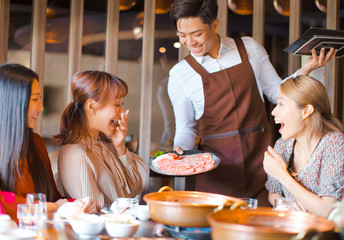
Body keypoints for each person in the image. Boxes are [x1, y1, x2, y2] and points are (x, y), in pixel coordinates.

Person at [167, 0, 336, 205]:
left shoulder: (249, 48)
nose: (189, 42)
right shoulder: (180, 75)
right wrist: (180, 152)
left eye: (196, 34)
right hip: (218, 176)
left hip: (262, 165)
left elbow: (277, 92)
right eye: (182, 35)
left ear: (215, 25)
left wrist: (305, 70)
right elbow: (186, 129)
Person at [0, 63, 96, 221]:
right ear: (12, 102)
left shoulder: (36, 143)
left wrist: (77, 203)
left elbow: (52, 198)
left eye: (40, 98)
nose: (41, 107)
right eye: (34, 99)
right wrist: (52, 207)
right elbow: (3, 204)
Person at [55, 70, 148, 210]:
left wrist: (120, 147)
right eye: (117, 105)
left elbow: (136, 186)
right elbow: (92, 211)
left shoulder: (106, 143)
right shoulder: (75, 153)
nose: (122, 112)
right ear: (92, 106)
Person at [263, 76, 344, 217]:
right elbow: (273, 193)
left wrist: (283, 175)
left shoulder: (334, 144)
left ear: (306, 111)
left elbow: (328, 211)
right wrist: (286, 204)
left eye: (281, 104)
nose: (273, 112)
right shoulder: (284, 144)